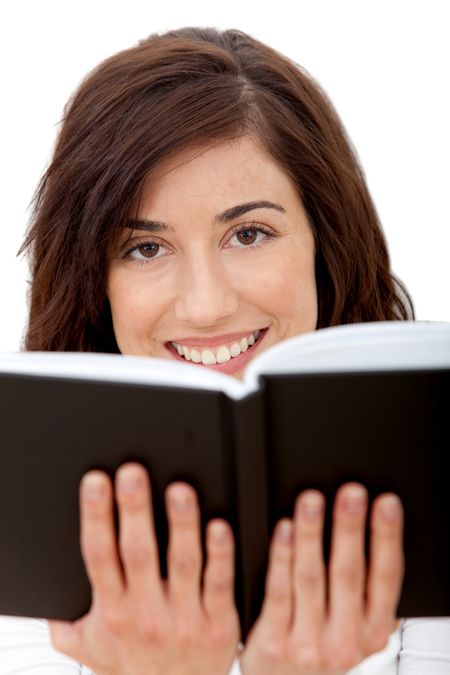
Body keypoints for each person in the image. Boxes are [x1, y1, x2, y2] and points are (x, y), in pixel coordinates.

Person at [2, 26, 449, 675]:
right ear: (95, 282)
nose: (205, 305)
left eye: (249, 233)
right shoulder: (22, 536)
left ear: (325, 244)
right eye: (145, 248)